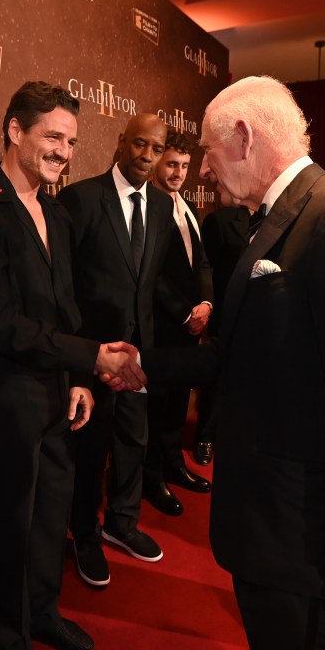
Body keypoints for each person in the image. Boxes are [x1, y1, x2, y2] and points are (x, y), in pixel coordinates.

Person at [135, 76, 325, 650]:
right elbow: (245, 355)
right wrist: (145, 365)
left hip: (315, 551)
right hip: (278, 538)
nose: (201, 169)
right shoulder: (284, 220)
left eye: (207, 149)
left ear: (245, 137)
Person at [0, 82, 145, 650]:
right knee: (5, 526)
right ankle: (8, 642)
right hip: (5, 394)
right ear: (15, 130)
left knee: (49, 514)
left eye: (72, 141)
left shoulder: (56, 212)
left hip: (59, 390)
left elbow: (66, 311)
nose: (64, 150)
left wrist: (79, 379)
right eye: (52, 136)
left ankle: (42, 614)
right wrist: (90, 359)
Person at [60, 113, 176, 587]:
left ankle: (122, 524)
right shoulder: (81, 199)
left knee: (134, 443)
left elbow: (150, 284)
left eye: (156, 148)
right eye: (139, 145)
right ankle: (85, 533)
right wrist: (85, 354)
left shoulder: (166, 208)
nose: (146, 156)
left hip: (139, 357)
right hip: (93, 356)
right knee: (89, 454)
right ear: (121, 142)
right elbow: (63, 286)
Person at [142, 130, 213, 517]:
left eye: (184, 166)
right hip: (162, 329)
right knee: (157, 407)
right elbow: (150, 275)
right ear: (157, 162)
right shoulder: (148, 207)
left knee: (176, 407)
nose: (178, 173)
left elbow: (201, 262)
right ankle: (152, 479)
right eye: (171, 164)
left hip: (190, 328)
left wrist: (205, 304)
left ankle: (173, 466)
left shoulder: (187, 206)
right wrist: (186, 313)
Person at [193, 203, 251, 466]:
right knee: (215, 381)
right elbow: (207, 270)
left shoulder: (277, 217)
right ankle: (205, 436)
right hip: (227, 314)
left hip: (261, 316)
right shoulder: (221, 220)